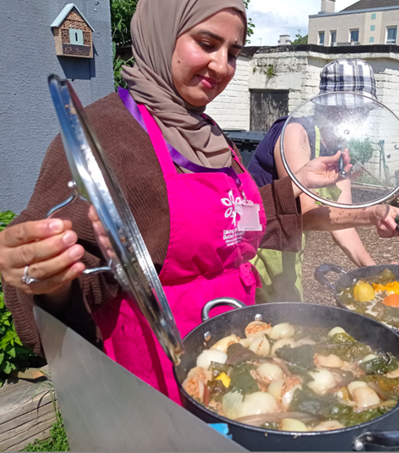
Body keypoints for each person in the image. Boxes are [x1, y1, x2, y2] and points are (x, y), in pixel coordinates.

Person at [0, 0, 351, 403]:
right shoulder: (106, 135)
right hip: (158, 376)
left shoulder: (205, 130)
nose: (221, 66)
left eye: (233, 53)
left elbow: (232, 226)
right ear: (161, 34)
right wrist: (44, 274)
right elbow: (68, 275)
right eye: (206, 43)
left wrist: (297, 185)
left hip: (240, 353)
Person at [247, 59, 399, 303]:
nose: (355, 116)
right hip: (255, 251)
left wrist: (375, 274)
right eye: (347, 109)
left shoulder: (339, 149)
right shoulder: (295, 134)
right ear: (326, 105)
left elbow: (341, 221)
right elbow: (307, 214)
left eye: (362, 109)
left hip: (288, 252)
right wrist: (374, 214)